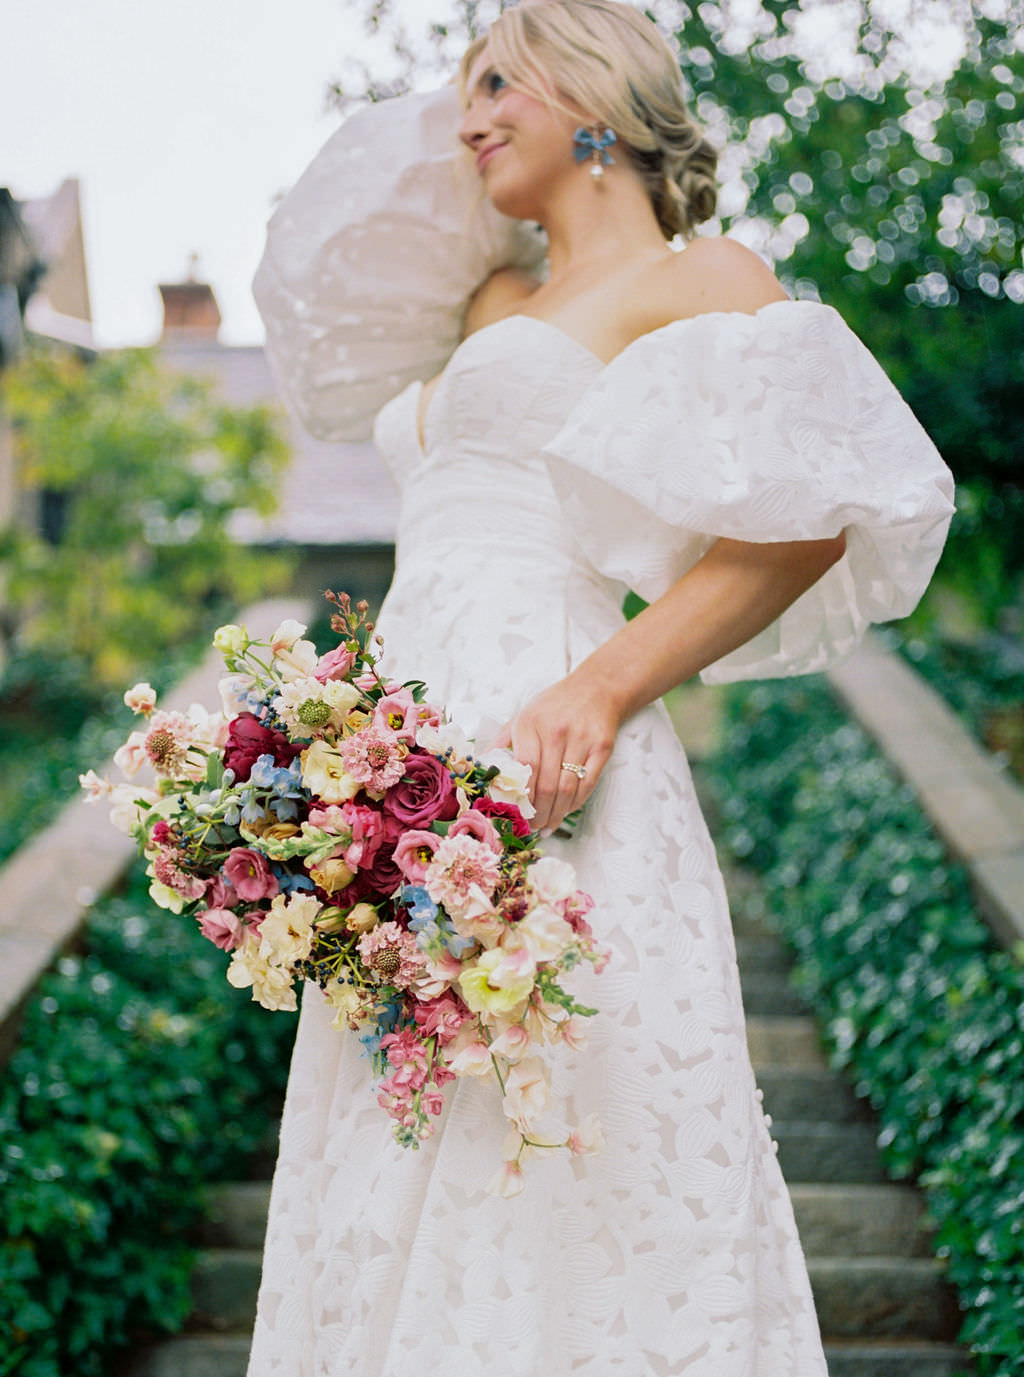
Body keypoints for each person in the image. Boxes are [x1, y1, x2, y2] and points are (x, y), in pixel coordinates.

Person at [249, 3, 955, 1373]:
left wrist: (601, 688)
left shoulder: (705, 278)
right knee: (395, 1154)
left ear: (595, 90)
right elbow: (340, 237)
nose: (466, 117)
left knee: (573, 1147)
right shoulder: (486, 298)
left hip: (564, 761)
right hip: (397, 792)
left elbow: (809, 518)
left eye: (498, 81)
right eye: (463, 90)